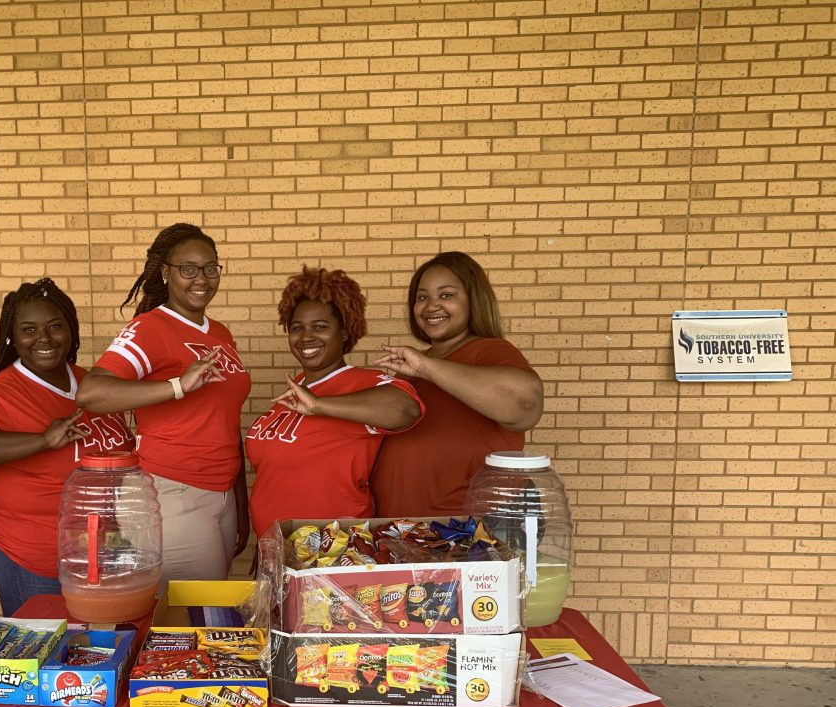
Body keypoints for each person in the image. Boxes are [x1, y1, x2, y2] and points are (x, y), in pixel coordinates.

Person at [0, 279, 135, 616]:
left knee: (100, 651)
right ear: (12, 337)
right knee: (45, 655)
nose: (43, 339)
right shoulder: (0, 393)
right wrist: (42, 441)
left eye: (55, 327)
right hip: (33, 557)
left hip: (102, 550)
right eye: (29, 329)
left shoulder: (93, 384)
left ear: (71, 331)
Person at [76, 223, 252, 582]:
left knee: (207, 608)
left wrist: (240, 502)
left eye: (210, 268)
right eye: (188, 269)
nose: (200, 278)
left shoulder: (219, 333)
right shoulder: (150, 329)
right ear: (165, 272)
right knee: (189, 620)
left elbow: (225, 420)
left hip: (220, 491)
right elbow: (92, 393)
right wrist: (177, 385)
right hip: (172, 491)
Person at [245, 266, 423, 539]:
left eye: (320, 327)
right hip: (275, 547)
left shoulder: (362, 383)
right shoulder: (295, 390)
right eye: (297, 328)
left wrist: (319, 405)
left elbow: (406, 408)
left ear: (343, 332)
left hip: (332, 551)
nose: (306, 337)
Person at [370, 251, 544, 517]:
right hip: (411, 533)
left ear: (473, 300)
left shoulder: (488, 351)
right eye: (422, 297)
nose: (431, 306)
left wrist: (425, 367)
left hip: (469, 533)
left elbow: (525, 405)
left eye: (447, 295)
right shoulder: (413, 368)